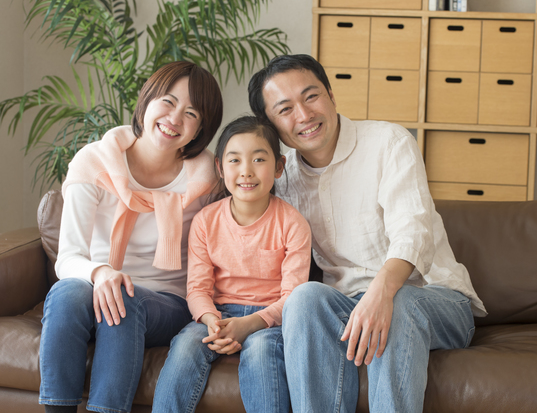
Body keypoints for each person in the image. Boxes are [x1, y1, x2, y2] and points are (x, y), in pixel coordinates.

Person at [247, 54, 487, 412]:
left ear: (331, 95)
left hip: (433, 297)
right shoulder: (284, 177)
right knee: (304, 298)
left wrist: (382, 291)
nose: (304, 115)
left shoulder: (389, 141)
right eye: (285, 109)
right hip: (348, 305)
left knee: (399, 302)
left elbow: (412, 230)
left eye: (311, 96)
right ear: (271, 125)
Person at [38, 61, 223, 413]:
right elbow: (68, 258)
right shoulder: (94, 162)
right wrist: (101, 272)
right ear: (147, 100)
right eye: (168, 102)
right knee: (65, 293)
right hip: (96, 286)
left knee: (124, 298)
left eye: (191, 113)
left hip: (168, 302)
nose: (174, 119)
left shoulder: (208, 177)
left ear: (201, 129)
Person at [152, 115, 312, 413]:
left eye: (259, 159)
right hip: (218, 314)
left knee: (262, 352)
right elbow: (197, 289)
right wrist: (212, 321)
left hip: (269, 319)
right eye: (235, 160)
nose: (246, 171)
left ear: (279, 167)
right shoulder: (205, 221)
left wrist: (249, 325)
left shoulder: (293, 224)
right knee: (186, 346)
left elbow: (293, 298)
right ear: (220, 167)